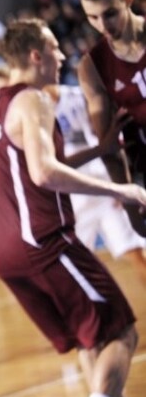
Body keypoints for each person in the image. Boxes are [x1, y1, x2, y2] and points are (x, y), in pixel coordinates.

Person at [0, 18, 146, 397]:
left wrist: (97, 151)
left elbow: (31, 167)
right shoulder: (33, 99)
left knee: (92, 338)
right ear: (36, 55)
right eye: (54, 47)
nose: (62, 55)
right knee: (122, 330)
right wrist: (120, 188)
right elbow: (44, 172)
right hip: (43, 241)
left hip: (1, 248)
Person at [49, 83, 146, 283]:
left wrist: (120, 182)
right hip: (77, 189)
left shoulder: (77, 95)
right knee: (77, 268)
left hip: (96, 181)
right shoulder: (35, 103)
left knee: (135, 254)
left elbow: (108, 137)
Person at [76, 0, 146, 236]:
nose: (102, 26)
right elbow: (109, 145)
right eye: (92, 17)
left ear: (128, 0)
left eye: (109, 14)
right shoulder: (93, 66)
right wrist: (129, 205)